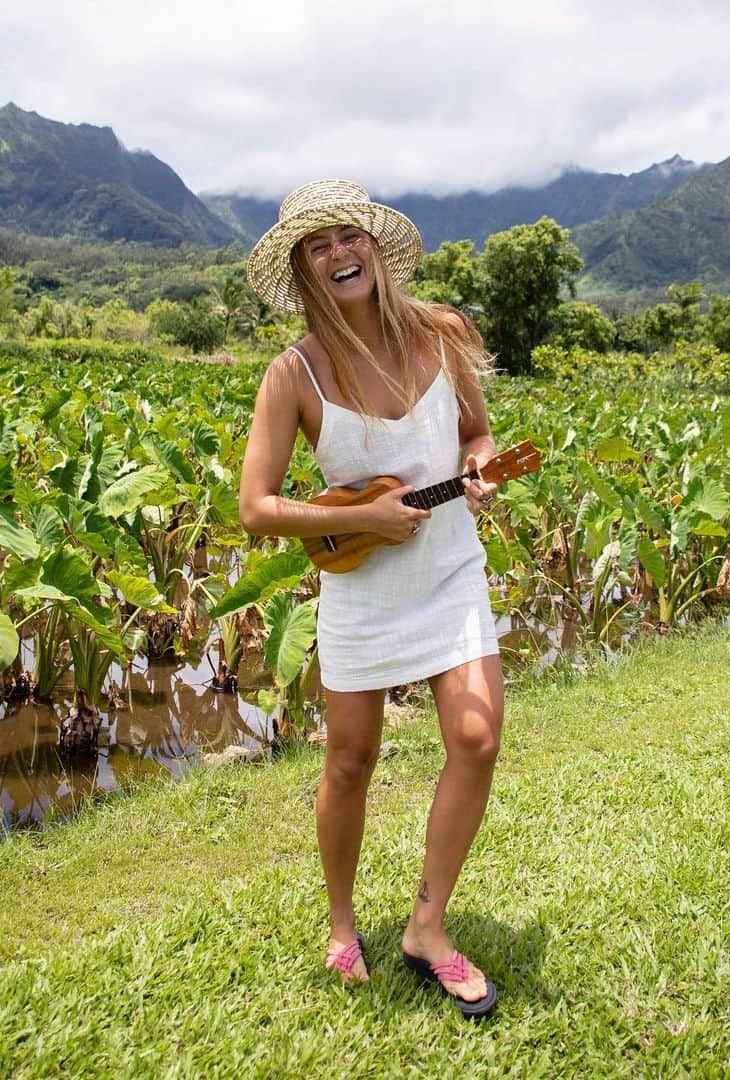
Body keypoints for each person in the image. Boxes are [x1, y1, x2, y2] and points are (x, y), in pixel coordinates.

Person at [239, 179, 503, 1019]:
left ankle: (428, 929)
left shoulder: (443, 334)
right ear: (304, 272)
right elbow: (258, 505)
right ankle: (342, 922)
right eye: (317, 247)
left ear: (375, 248)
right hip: (359, 578)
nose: (338, 254)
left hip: (449, 564)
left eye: (348, 236)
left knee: (477, 735)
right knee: (350, 760)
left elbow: (475, 435)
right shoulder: (294, 375)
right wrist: (363, 515)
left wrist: (484, 470)